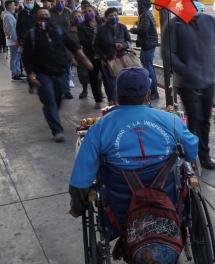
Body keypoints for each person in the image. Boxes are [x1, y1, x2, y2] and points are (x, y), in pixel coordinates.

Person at [67, 67, 199, 217]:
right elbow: (191, 153)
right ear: (148, 95)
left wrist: (77, 208)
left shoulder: (98, 129)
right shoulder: (172, 121)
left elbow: (80, 182)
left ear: (116, 94)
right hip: (168, 205)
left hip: (120, 215)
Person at [162, 0, 215, 171]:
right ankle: (190, 155)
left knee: (205, 120)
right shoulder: (173, 25)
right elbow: (168, 55)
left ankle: (204, 154)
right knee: (195, 119)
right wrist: (185, 70)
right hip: (187, 83)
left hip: (208, 81)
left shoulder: (210, 22)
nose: (195, 1)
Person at [23, 7, 93, 142]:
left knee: (57, 100)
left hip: (60, 72)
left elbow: (73, 45)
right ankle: (57, 130)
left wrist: (84, 59)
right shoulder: (31, 35)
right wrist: (30, 75)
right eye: (41, 15)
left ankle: (50, 113)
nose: (44, 17)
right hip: (43, 73)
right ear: (36, 18)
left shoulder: (59, 31)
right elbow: (26, 57)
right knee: (49, 100)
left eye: (46, 15)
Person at [93, 7, 131, 105]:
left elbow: (129, 42)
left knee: (124, 82)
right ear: (106, 18)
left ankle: (125, 102)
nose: (113, 17)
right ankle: (115, 103)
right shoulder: (101, 29)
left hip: (122, 60)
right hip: (108, 61)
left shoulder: (122, 27)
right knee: (113, 84)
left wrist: (123, 45)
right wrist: (103, 57)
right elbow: (95, 45)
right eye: (110, 16)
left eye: (115, 15)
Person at [79, 4, 109, 108]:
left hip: (104, 55)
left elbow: (107, 35)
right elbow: (83, 41)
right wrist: (96, 41)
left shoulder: (102, 22)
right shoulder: (82, 26)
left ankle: (110, 99)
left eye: (89, 11)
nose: (87, 13)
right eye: (85, 12)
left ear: (94, 11)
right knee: (93, 79)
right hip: (91, 56)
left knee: (107, 78)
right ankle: (97, 100)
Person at [129, 0, 159, 100]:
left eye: (137, 4)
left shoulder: (145, 15)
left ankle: (153, 90)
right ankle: (151, 88)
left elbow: (143, 29)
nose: (137, 6)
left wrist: (133, 30)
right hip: (147, 44)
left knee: (148, 67)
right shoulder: (146, 14)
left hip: (147, 45)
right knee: (147, 66)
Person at [66, 10, 90, 99]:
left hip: (91, 54)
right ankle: (85, 90)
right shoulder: (70, 32)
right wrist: (71, 58)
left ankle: (98, 91)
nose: (78, 18)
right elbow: (67, 47)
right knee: (82, 74)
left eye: (79, 16)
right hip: (79, 57)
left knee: (96, 74)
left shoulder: (88, 27)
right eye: (75, 17)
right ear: (72, 19)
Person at [3, 0, 25, 82]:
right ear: (9, 7)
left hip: (14, 39)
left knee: (17, 57)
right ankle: (14, 74)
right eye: (13, 5)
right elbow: (11, 29)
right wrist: (16, 40)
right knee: (14, 57)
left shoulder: (9, 15)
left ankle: (18, 73)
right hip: (13, 40)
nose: (15, 7)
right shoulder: (7, 16)